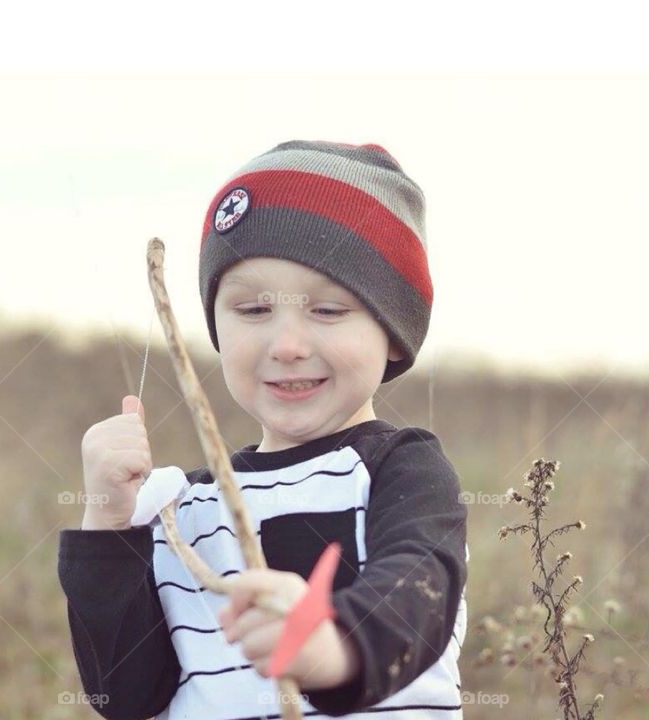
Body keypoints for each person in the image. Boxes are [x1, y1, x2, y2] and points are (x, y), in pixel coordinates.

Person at [58, 140, 469, 719]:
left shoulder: (399, 471)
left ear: (394, 332)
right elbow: (125, 696)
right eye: (253, 311)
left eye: (328, 311)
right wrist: (106, 524)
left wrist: (333, 645)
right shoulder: (181, 508)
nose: (287, 345)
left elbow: (419, 588)